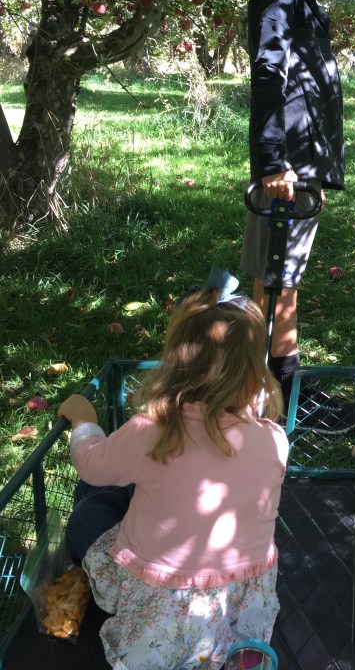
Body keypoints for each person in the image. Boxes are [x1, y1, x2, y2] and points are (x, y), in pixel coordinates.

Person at [57, 287, 288, 670]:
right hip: (241, 609)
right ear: (253, 377)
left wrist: (85, 421)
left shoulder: (154, 430)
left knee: (88, 510)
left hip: (163, 616)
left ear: (174, 366)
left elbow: (91, 466)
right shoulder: (274, 439)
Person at [240, 0, 354, 432]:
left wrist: (314, 168)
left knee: (282, 281)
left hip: (300, 162)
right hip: (285, 164)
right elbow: (269, 69)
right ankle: (275, 400)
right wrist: (273, 161)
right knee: (275, 282)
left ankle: (275, 392)